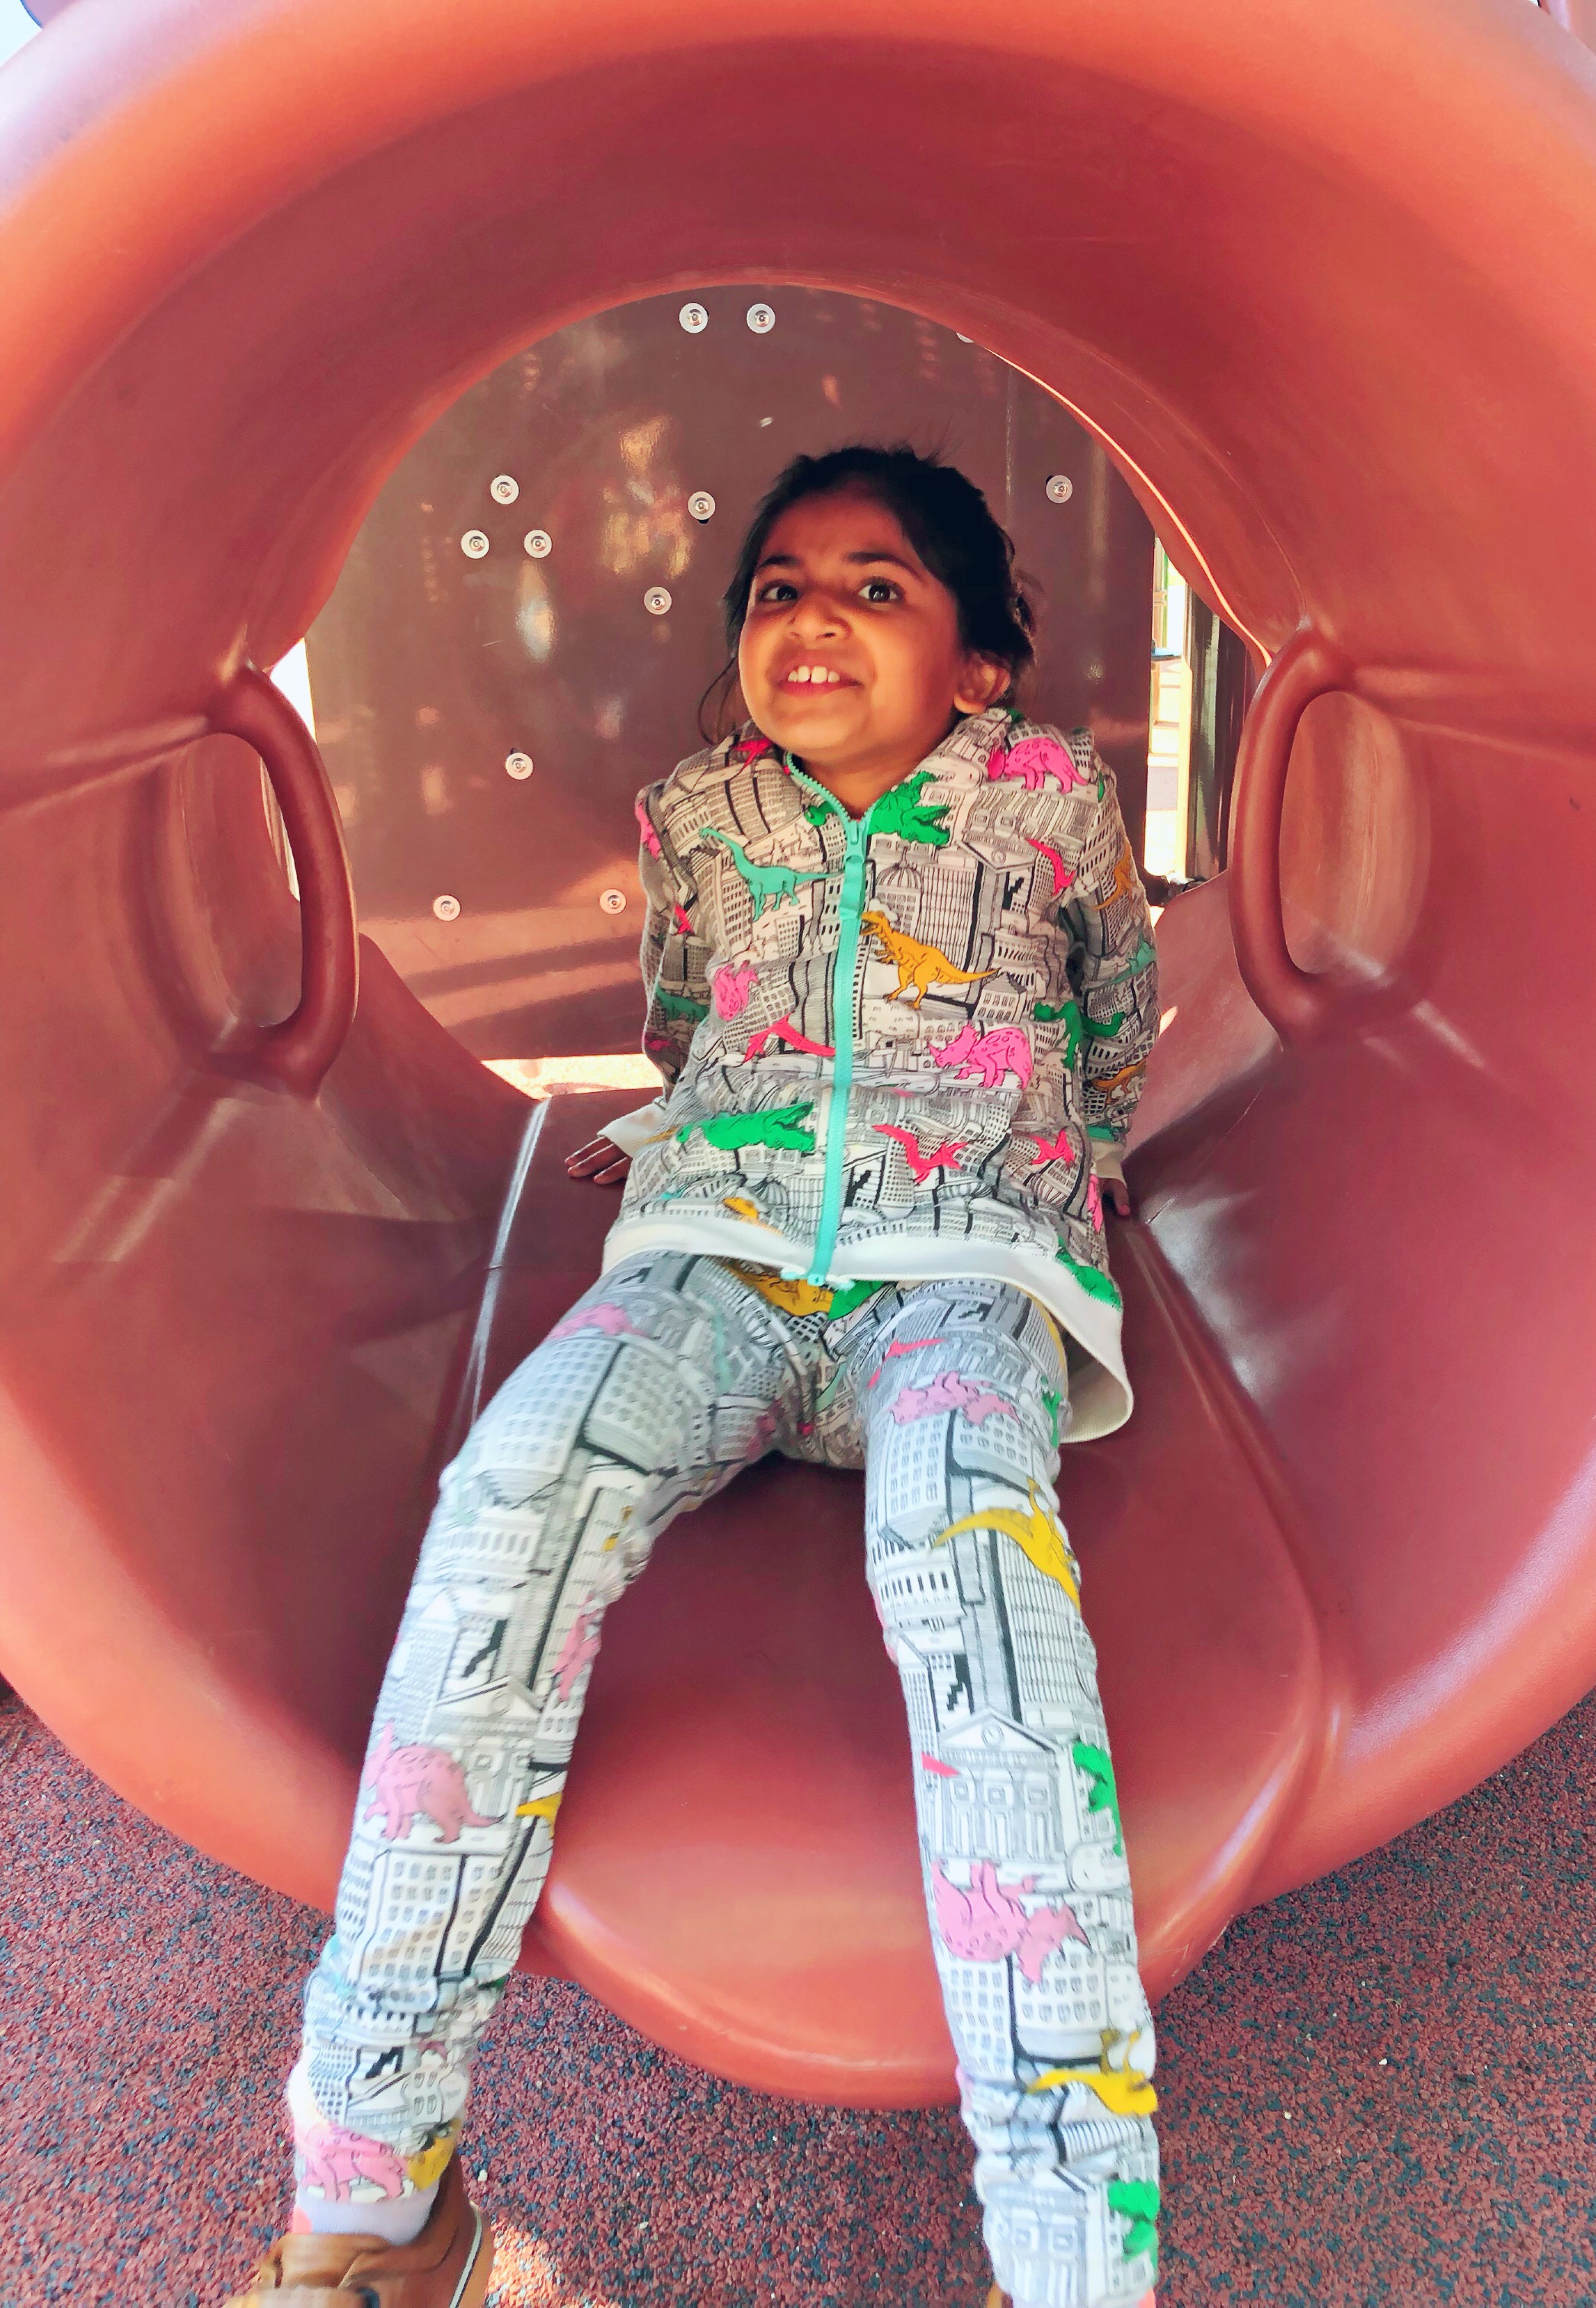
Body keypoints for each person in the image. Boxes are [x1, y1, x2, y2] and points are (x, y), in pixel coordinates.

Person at [224, 444, 1163, 2308]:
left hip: (959, 1271)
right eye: (777, 587)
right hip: (712, 1262)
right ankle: (374, 2201)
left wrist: (1092, 1152)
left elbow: (1112, 1004)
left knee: (979, 1588)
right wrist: (681, 1123)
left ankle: (1074, 2258)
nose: (813, 615)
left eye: (878, 587)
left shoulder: (1050, 800)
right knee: (511, 1497)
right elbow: (688, 1009)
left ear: (979, 663)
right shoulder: (699, 813)